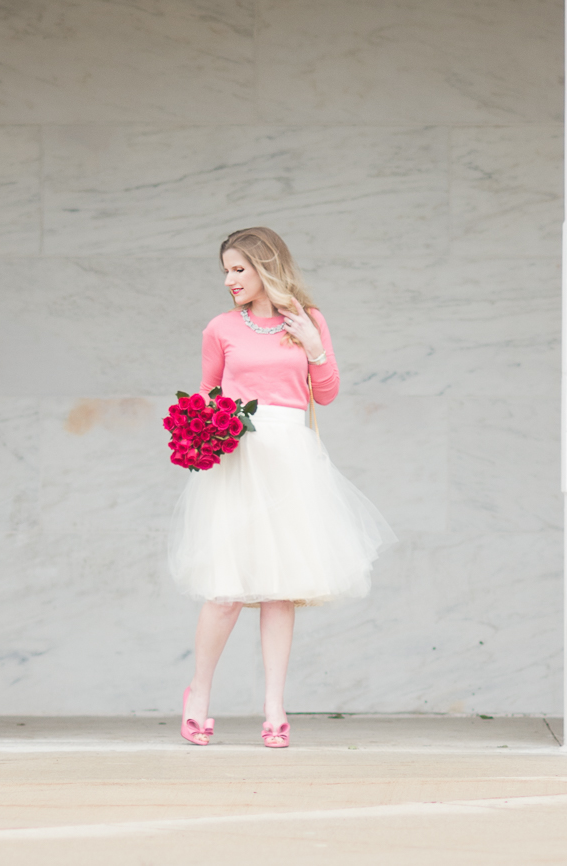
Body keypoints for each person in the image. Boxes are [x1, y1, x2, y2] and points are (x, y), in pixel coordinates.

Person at [168, 227, 394, 748]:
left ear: (266, 266)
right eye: (226, 270)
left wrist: (314, 346)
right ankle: (198, 693)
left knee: (279, 589)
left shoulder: (308, 320)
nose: (229, 280)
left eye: (238, 269)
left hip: (291, 460)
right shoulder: (221, 328)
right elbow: (205, 393)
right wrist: (203, 430)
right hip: (238, 459)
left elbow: (327, 394)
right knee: (226, 590)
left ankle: (274, 706)